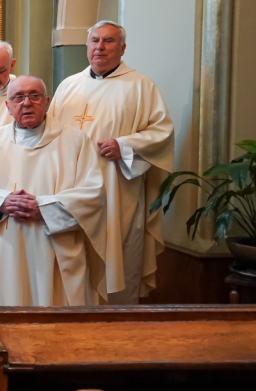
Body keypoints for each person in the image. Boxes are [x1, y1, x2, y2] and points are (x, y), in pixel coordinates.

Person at [50, 21, 175, 304]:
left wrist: (125, 145)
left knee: (117, 254)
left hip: (116, 190)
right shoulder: (69, 86)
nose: (100, 47)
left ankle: (118, 322)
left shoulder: (141, 86)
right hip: (72, 189)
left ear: (122, 48)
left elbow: (162, 132)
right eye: (94, 40)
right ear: (87, 46)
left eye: (108, 41)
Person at [0, 76, 107, 307]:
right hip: (5, 251)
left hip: (56, 250)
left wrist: (43, 207)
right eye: (18, 97)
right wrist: (1, 202)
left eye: (34, 96)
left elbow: (93, 195)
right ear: (8, 106)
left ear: (47, 102)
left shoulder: (75, 140)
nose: (26, 103)